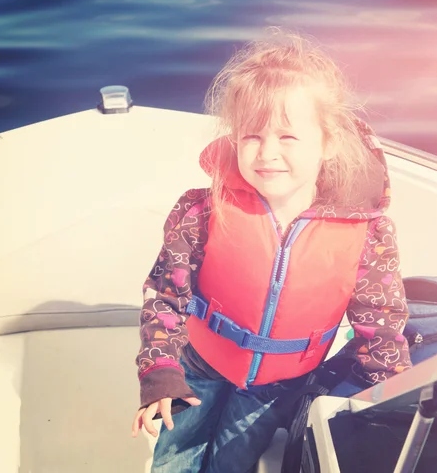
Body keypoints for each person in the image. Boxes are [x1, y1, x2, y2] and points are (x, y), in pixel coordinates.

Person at [131, 29, 412, 473]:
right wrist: (160, 370)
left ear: (329, 141)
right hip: (198, 366)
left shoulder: (368, 232)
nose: (267, 154)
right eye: (251, 136)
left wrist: (386, 392)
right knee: (175, 455)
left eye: (288, 137)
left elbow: (380, 324)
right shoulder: (201, 210)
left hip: (276, 387)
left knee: (234, 461)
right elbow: (164, 295)